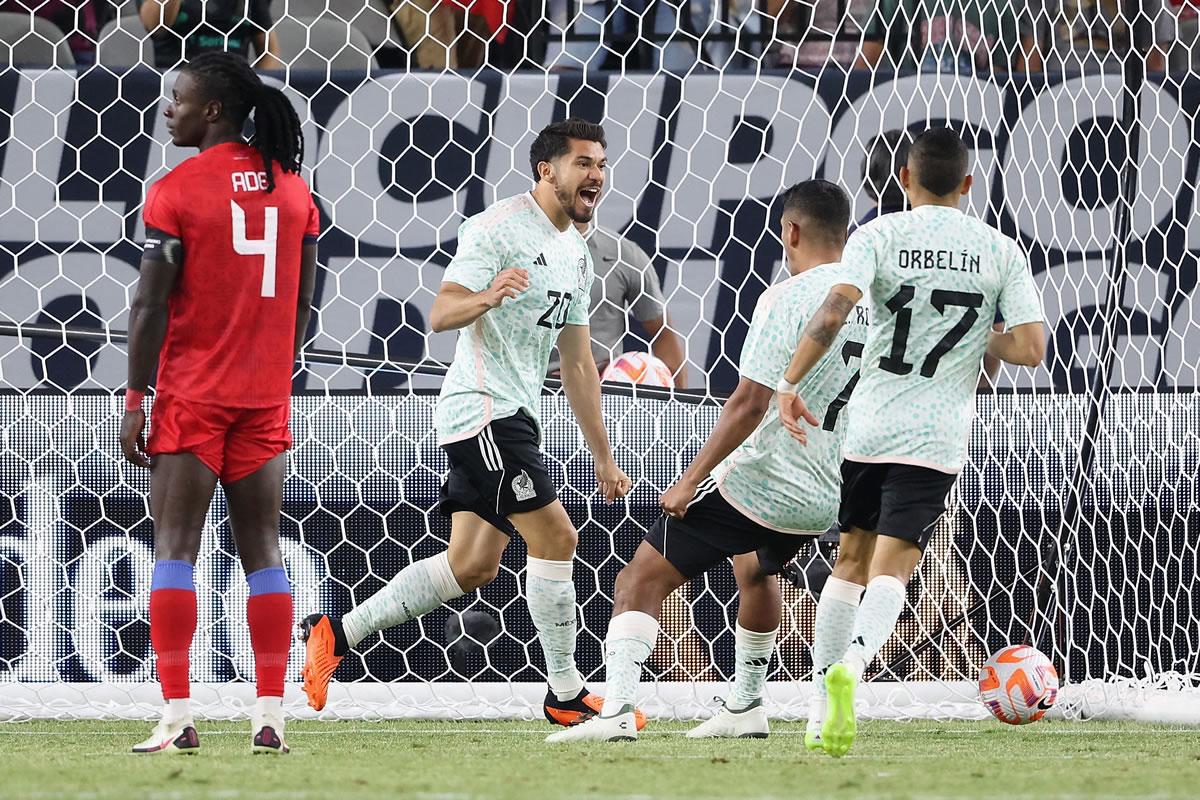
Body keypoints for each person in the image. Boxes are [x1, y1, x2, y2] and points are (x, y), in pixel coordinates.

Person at [300, 118, 638, 731]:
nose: (596, 175)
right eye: (583, 163)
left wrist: (605, 457)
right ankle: (565, 692)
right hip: (483, 409)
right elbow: (440, 312)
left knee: (471, 565)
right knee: (557, 538)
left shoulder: (578, 251)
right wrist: (488, 296)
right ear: (547, 170)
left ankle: (332, 634)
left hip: (515, 416)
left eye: (601, 164)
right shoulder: (496, 229)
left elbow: (578, 360)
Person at [545, 180, 869, 743]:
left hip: (767, 480)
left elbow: (748, 403)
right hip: (829, 491)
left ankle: (616, 710)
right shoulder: (869, 300)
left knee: (637, 580)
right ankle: (746, 705)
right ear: (847, 234)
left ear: (790, 232)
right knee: (754, 568)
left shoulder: (787, 297)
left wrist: (688, 481)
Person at [777, 127, 1046, 757]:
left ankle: (820, 706)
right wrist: (982, 336)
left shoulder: (876, 236)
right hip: (935, 435)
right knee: (895, 568)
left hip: (869, 426)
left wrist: (791, 382)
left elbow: (833, 312)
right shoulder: (1000, 250)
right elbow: (1031, 349)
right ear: (969, 183)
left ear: (904, 178)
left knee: (849, 561)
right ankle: (856, 666)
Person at [120, 51, 318, 755]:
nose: (168, 109)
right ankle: (270, 714)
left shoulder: (176, 189)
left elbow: (149, 304)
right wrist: (269, 366)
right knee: (264, 552)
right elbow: (303, 307)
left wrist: (136, 397)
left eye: (177, 98)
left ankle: (177, 718)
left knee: (176, 549)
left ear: (211, 110)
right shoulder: (295, 193)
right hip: (264, 399)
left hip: (193, 395)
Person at [546, 223, 687, 387]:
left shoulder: (624, 254)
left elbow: (663, 333)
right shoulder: (519, 247)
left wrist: (677, 407)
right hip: (529, 392)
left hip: (600, 395)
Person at [137, 0, 283, 70]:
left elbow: (269, 50)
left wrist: (259, 87)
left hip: (234, 88)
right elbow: (156, 26)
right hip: (178, 86)